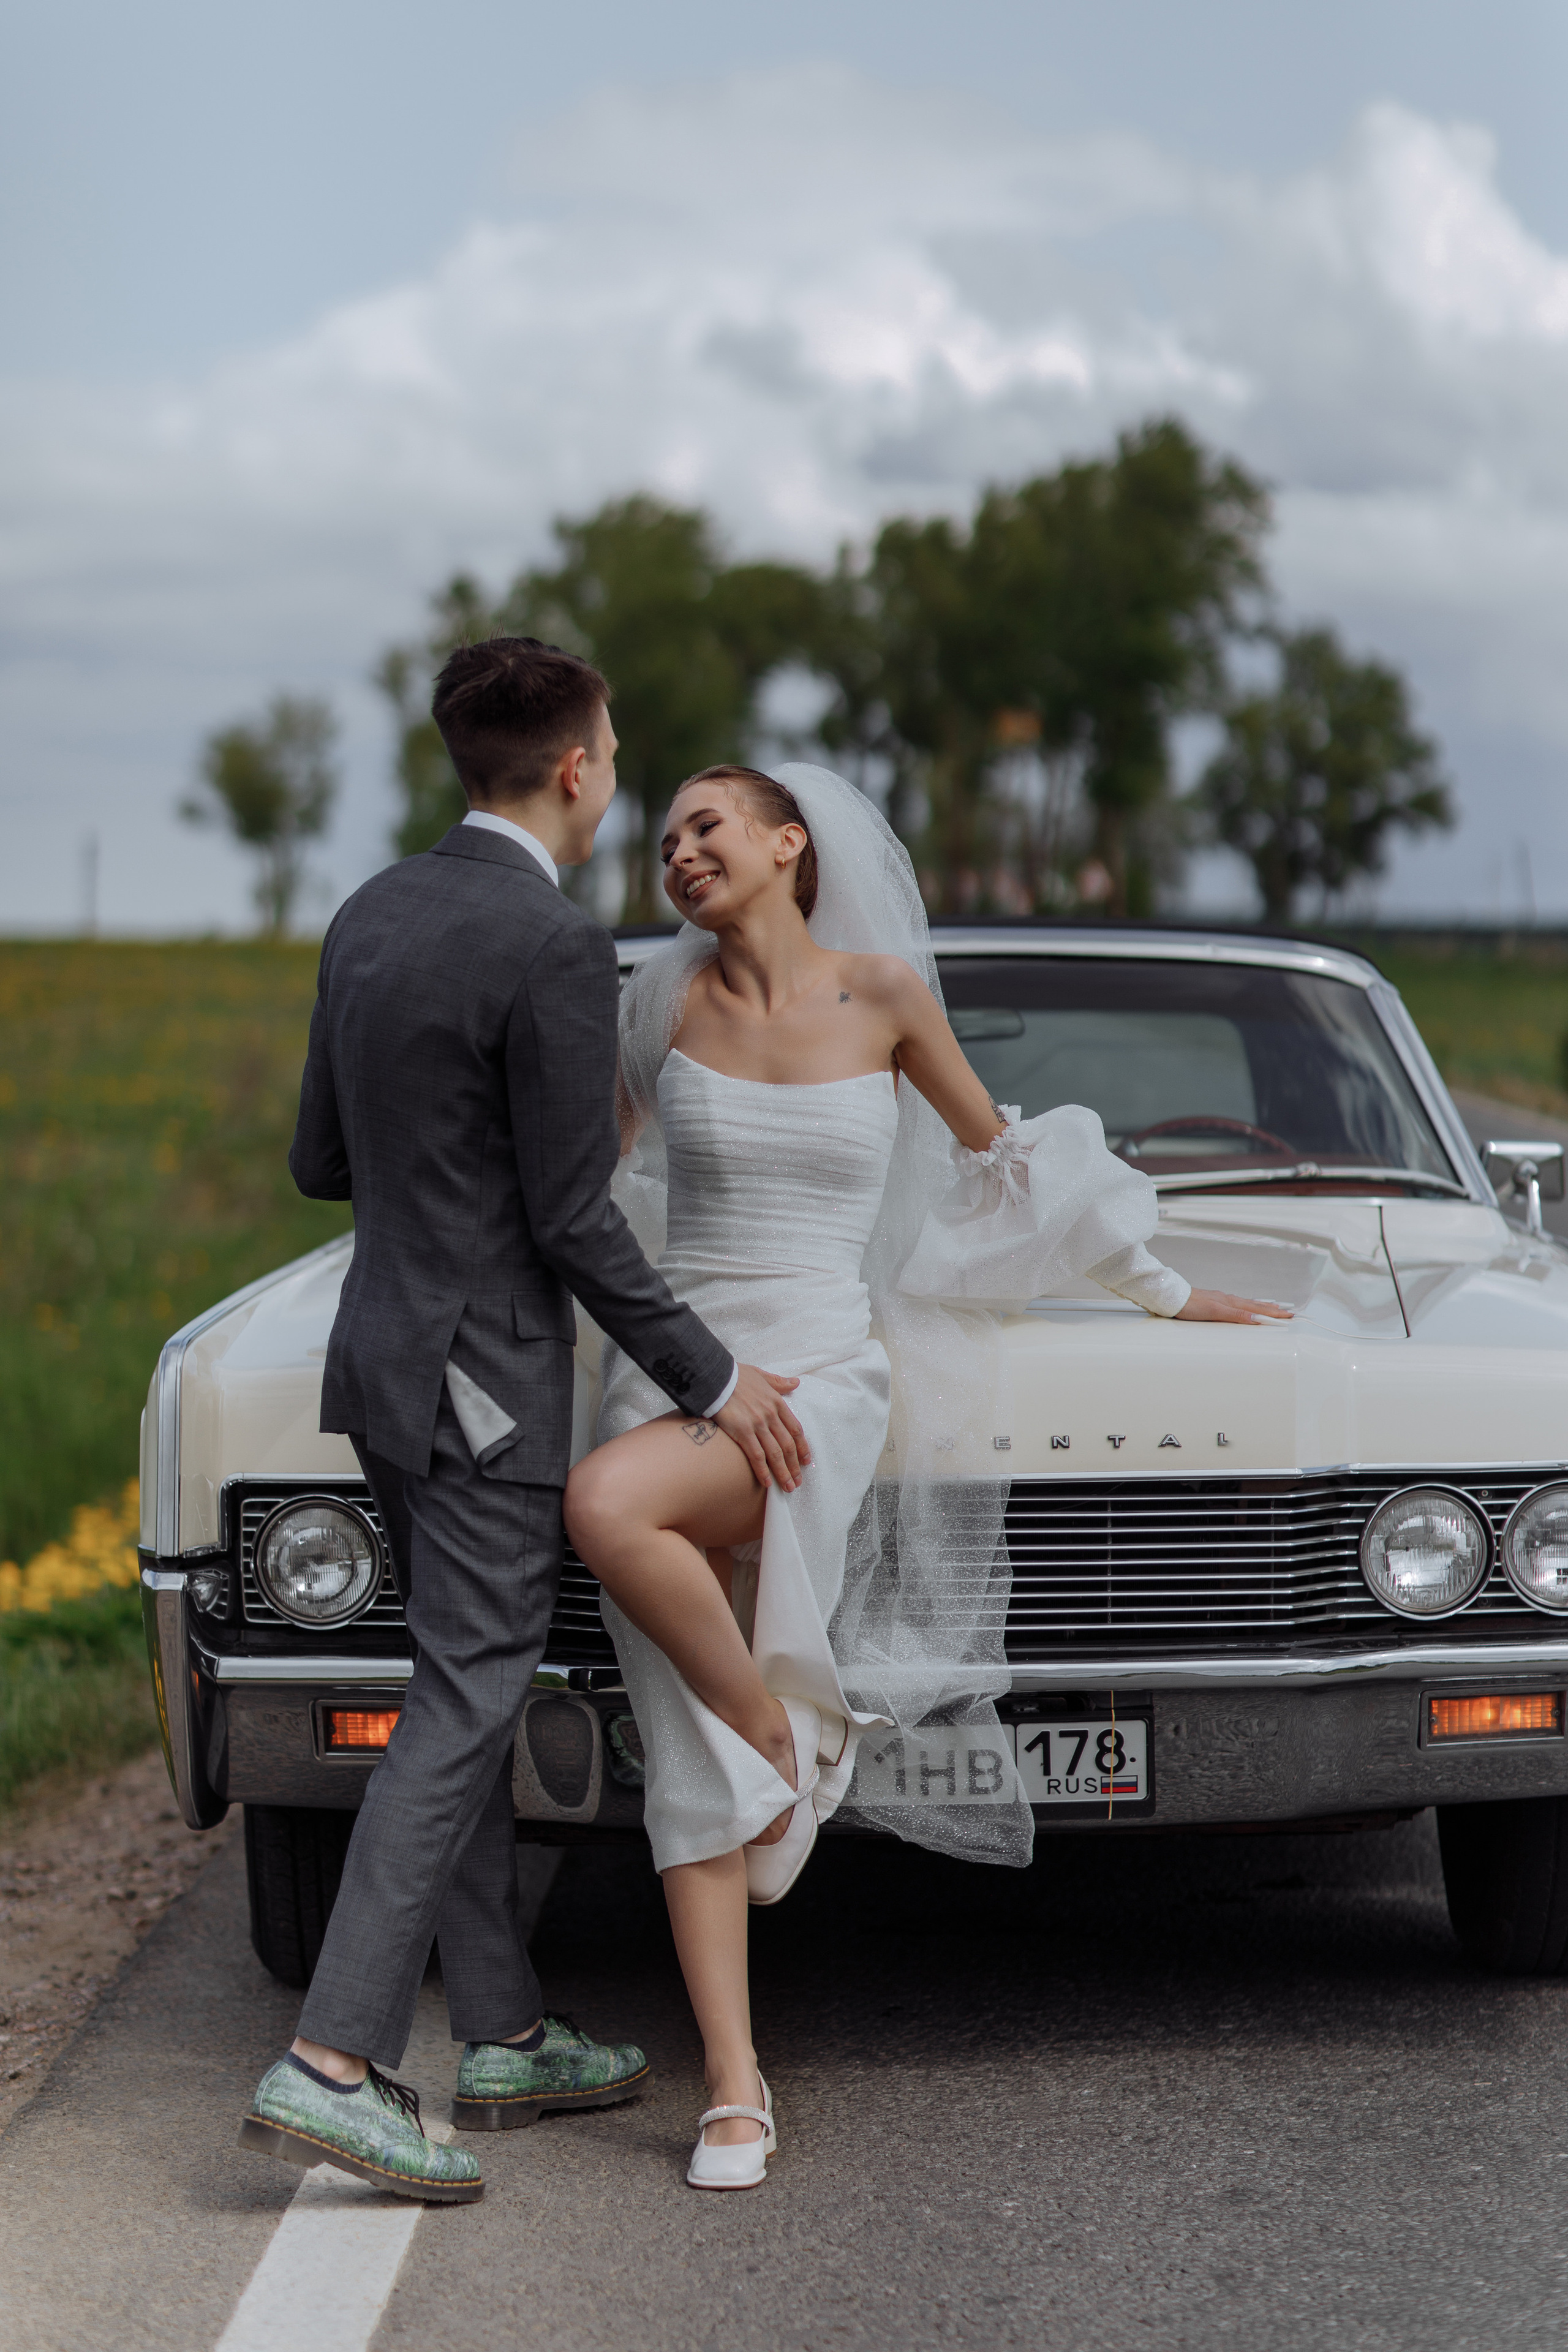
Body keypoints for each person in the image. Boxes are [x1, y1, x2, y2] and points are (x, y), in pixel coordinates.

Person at [564, 762, 1293, 2192]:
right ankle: (733, 2076)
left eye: (706, 825)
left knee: (605, 1507)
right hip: (684, 1373)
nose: (678, 852)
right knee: (682, 1736)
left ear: (789, 844)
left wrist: (1160, 1291)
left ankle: (776, 1739)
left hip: (819, 1376)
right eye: (662, 839)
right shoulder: (657, 1008)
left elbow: (1005, 1163)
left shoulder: (886, 995)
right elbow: (587, 1192)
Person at [240, 643, 808, 2203]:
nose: (616, 775)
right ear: (574, 770)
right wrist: (709, 1375)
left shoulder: (369, 912)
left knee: (458, 1685)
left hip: (379, 1365)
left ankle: (499, 2032)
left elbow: (317, 1161)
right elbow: (571, 1218)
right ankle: (332, 2063)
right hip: (486, 1387)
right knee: (464, 1703)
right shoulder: (551, 945)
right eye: (614, 750)